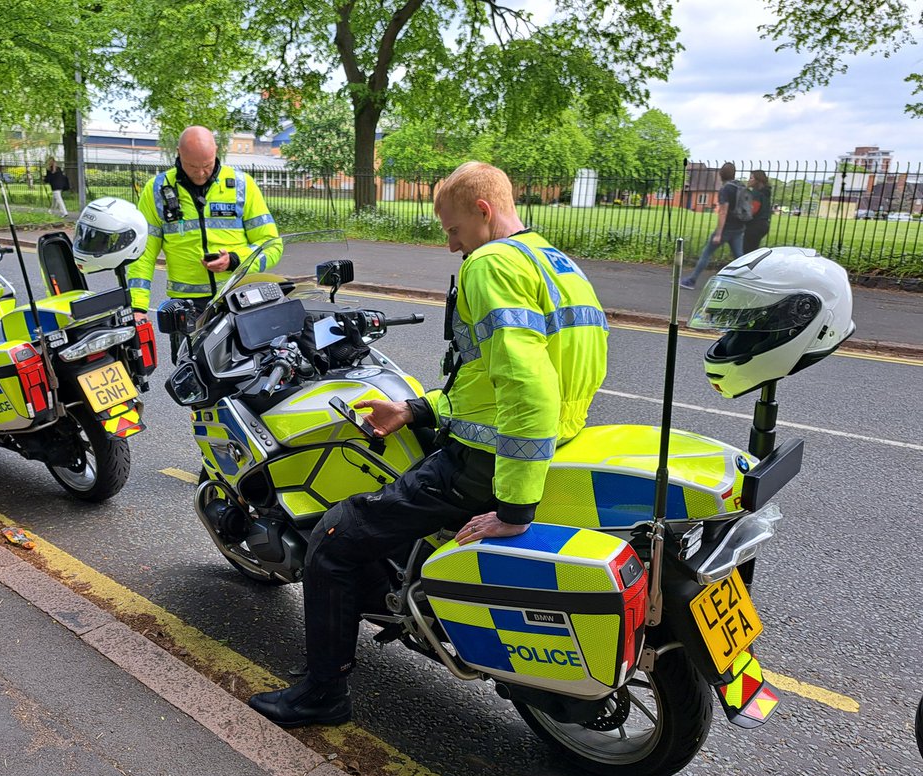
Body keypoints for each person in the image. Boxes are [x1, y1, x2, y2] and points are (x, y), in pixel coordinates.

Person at [247, 161, 609, 728]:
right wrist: (415, 409)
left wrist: (514, 508)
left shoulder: (490, 264)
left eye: (453, 230)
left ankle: (323, 695)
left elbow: (527, 389)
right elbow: (495, 382)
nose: (450, 245)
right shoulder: (557, 263)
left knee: (335, 538)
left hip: (485, 464)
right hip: (551, 445)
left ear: (483, 211)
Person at [126, 125, 280, 323]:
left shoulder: (242, 185)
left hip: (239, 297)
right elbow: (143, 253)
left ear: (216, 150)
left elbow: (271, 245)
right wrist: (138, 306)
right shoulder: (156, 190)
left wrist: (234, 260)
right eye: (192, 166)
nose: (200, 173)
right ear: (178, 153)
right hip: (187, 306)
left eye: (207, 165)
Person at [681, 162, 745, 288]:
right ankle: (746, 282)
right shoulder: (740, 187)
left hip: (726, 228)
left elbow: (723, 211)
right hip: (739, 227)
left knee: (707, 253)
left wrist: (719, 233)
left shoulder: (726, 189)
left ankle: (692, 280)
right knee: (740, 258)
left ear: (721, 174)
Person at [743, 169, 773, 255]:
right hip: (764, 224)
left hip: (754, 225)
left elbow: (752, 210)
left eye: (751, 178)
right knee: (752, 248)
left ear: (758, 180)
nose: (749, 180)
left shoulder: (756, 193)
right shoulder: (766, 192)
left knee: (747, 251)